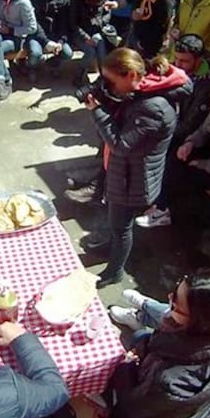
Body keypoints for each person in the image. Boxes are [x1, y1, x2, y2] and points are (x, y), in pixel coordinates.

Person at [80, 48, 191, 288]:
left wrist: (97, 111)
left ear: (130, 75)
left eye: (111, 81)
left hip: (133, 180)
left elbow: (121, 144)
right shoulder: (144, 89)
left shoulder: (153, 108)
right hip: (125, 173)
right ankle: (111, 248)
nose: (108, 86)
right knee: (116, 222)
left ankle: (115, 271)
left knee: (122, 228)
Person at [104, 272, 210, 418]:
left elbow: (132, 407)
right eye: (175, 289)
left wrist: (123, 368)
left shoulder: (173, 380)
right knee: (139, 336)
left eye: (176, 306)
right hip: (177, 408)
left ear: (200, 322)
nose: (169, 298)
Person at [139, 73, 210, 230]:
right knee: (174, 154)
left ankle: (163, 210)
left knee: (182, 172)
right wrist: (189, 143)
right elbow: (202, 131)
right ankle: (160, 203)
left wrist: (202, 164)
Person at [69, 0, 113, 87]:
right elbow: (73, 23)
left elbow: (107, 14)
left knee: (101, 49)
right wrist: (86, 37)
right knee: (90, 51)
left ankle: (104, 77)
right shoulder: (77, 0)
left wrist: (100, 23)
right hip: (80, 34)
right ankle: (79, 74)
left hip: (97, 32)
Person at [28, 0, 73, 80]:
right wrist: (46, 42)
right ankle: (32, 68)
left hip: (56, 34)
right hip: (36, 35)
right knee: (35, 53)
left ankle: (52, 64)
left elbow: (64, 22)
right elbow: (33, 23)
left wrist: (61, 41)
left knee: (67, 53)